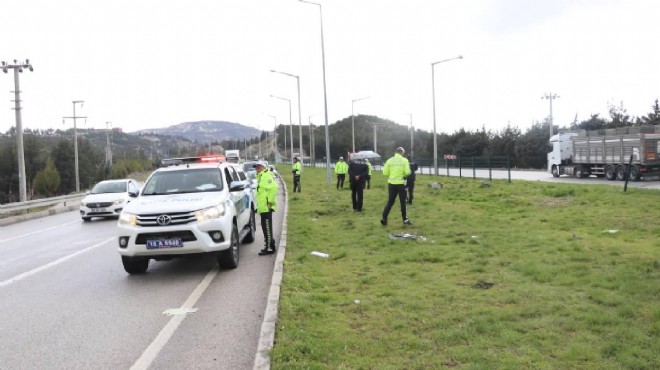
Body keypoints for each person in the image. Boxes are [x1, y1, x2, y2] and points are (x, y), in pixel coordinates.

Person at [380, 147, 412, 226]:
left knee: (390, 202)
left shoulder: (389, 160)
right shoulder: (404, 160)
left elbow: (384, 173)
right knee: (403, 202)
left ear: (396, 152)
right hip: (401, 184)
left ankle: (384, 218)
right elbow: (407, 172)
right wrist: (404, 175)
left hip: (391, 184)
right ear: (402, 153)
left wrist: (392, 175)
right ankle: (405, 219)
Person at [254, 161, 278, 255]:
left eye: (258, 167)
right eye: (256, 167)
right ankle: (270, 244)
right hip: (263, 207)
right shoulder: (261, 177)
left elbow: (274, 188)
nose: (257, 169)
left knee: (267, 227)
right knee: (265, 227)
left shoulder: (265, 176)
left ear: (263, 167)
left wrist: (270, 202)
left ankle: (269, 248)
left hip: (266, 207)